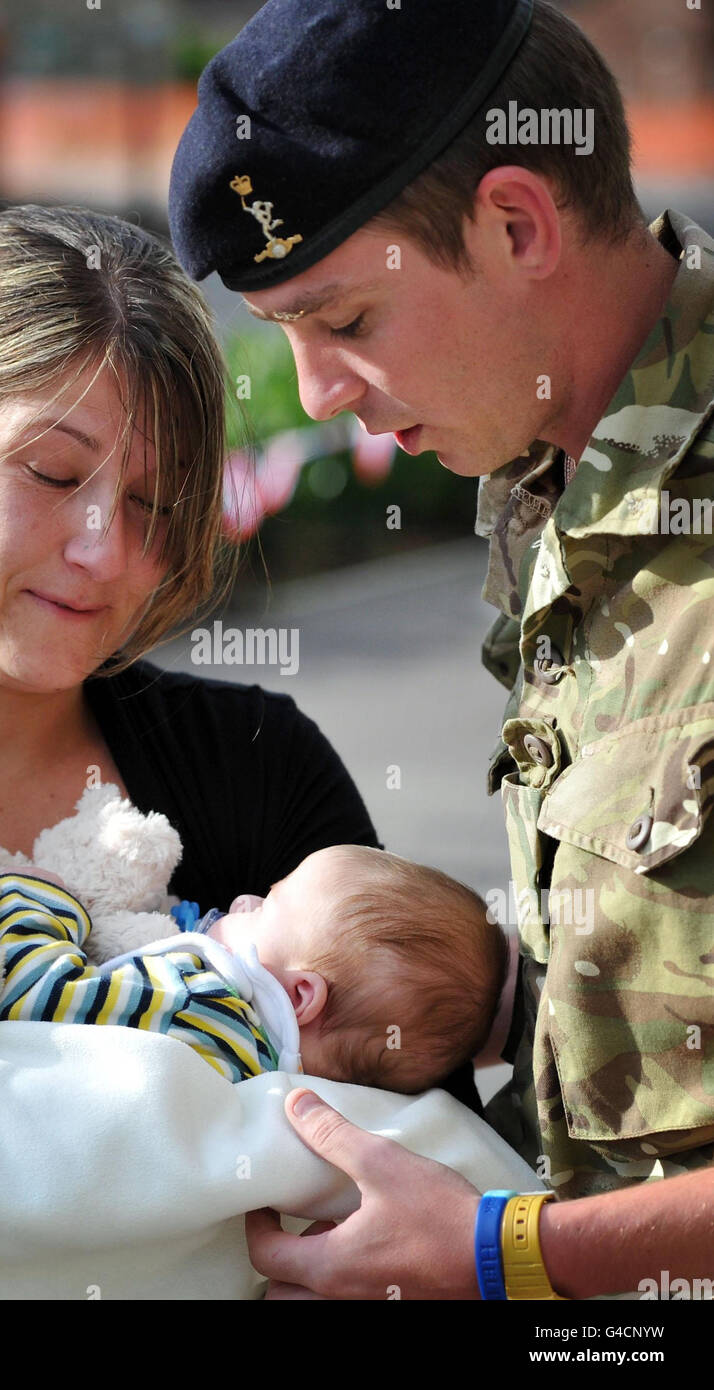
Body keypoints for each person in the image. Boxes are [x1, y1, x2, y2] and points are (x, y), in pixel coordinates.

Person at [0, 202, 479, 1298]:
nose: (103, 551)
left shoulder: (256, 770)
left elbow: (406, 1172)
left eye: (154, 506)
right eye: (53, 476)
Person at [167, 0, 714, 1297]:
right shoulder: (559, 483)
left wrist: (503, 1255)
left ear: (516, 224)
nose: (313, 396)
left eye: (343, 321)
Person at [0, 842, 509, 1091]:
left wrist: (40, 902)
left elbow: (42, 1003)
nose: (245, 897)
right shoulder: (261, 1058)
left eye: (270, 904)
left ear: (304, 995)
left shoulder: (205, 1002)